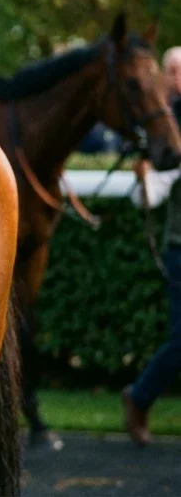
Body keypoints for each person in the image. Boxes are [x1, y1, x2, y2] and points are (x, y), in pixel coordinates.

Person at [123, 44, 181, 446]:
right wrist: (144, 177)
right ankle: (140, 396)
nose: (177, 78)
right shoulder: (165, 125)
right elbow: (150, 195)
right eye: (173, 70)